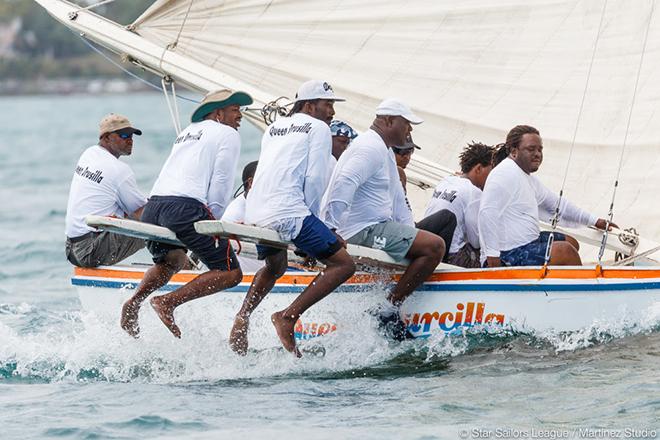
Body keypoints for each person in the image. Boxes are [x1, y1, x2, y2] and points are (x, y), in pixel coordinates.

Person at [230, 80, 356, 357]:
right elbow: (314, 179)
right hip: (289, 211)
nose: (331, 112)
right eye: (328, 104)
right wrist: (316, 226)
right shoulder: (319, 128)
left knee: (275, 265)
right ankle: (287, 317)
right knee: (343, 265)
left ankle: (242, 317)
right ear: (310, 105)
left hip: (257, 212)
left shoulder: (274, 128)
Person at [120, 89, 253, 338]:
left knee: (172, 261)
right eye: (235, 110)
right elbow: (222, 182)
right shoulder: (227, 134)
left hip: (155, 206)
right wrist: (213, 225)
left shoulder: (187, 133)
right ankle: (167, 302)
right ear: (218, 113)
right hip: (184, 208)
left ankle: (135, 301)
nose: (240, 116)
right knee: (230, 272)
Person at [321, 98, 445, 338]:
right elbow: (344, 183)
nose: (409, 131)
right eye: (407, 124)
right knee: (434, 247)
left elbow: (398, 200)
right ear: (388, 121)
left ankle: (389, 300)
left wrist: (411, 234)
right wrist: (329, 230)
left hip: (376, 227)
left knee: (425, 242)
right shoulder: (368, 147)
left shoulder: (384, 149)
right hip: (360, 231)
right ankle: (389, 308)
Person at [479, 125, 614, 268]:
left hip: (528, 244)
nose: (537, 154)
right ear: (514, 151)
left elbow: (558, 205)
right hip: (506, 255)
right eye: (531, 149)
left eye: (540, 149)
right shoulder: (504, 173)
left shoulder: (526, 177)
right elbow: (487, 212)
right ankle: (584, 289)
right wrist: (492, 257)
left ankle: (557, 286)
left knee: (571, 243)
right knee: (565, 251)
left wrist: (594, 221)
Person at [64, 114, 146, 268]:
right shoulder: (119, 170)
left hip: (71, 250)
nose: (130, 139)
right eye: (124, 135)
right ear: (107, 138)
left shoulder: (88, 154)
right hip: (91, 250)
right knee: (160, 221)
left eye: (132, 135)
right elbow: (142, 213)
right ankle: (176, 270)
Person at [423, 142, 494, 268]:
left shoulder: (445, 180)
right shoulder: (474, 192)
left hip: (427, 244)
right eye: (491, 172)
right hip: (451, 254)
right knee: (491, 253)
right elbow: (476, 241)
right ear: (478, 169)